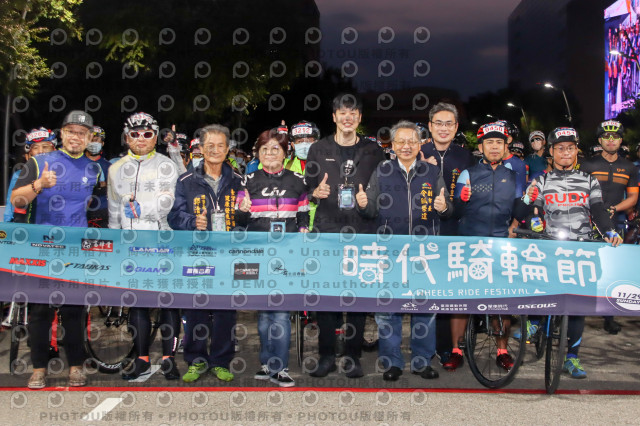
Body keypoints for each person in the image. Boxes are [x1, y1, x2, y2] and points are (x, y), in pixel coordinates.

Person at [11, 110, 101, 388]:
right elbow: (17, 200)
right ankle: (39, 368)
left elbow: (95, 207)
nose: (76, 137)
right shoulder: (39, 162)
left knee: (75, 312)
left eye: (82, 133)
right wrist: (39, 184)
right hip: (41, 248)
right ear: (62, 133)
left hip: (75, 250)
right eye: (71, 131)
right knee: (40, 311)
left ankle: (76, 366)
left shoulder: (93, 169)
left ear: (89, 137)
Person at [357, 120, 452, 381]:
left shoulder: (431, 172)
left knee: (425, 309)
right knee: (388, 310)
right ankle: (392, 362)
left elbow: (447, 208)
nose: (406, 146)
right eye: (401, 141)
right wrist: (364, 205)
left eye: (412, 141)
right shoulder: (383, 170)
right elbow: (371, 210)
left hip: (425, 252)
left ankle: (422, 361)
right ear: (393, 145)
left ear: (420, 144)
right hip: (390, 252)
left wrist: (444, 207)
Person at [524, 127, 622, 378]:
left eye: (570, 148)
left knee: (578, 306)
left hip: (581, 248)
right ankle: (534, 321)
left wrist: (609, 231)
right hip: (550, 246)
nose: (565, 152)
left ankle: (572, 357)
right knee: (541, 286)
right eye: (560, 148)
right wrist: (533, 218)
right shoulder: (542, 180)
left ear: (576, 150)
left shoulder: (589, 180)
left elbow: (598, 210)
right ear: (551, 152)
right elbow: (532, 207)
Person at [305, 93, 385, 379]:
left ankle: (352, 356)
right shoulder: (318, 149)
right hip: (327, 232)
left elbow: (382, 189)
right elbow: (307, 189)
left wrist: (367, 202)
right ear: (334, 117)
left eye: (353, 113)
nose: (347, 117)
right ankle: (326, 355)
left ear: (359, 118)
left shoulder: (373, 150)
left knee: (357, 298)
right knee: (326, 296)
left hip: (362, 233)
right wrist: (315, 193)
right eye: (342, 112)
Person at [445, 122, 526, 372]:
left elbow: (520, 207)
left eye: (499, 143)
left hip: (501, 243)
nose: (494, 147)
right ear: (481, 147)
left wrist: (520, 216)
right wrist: (461, 200)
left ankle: (502, 350)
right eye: (489, 143)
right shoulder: (468, 173)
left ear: (505, 147)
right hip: (470, 241)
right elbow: (455, 210)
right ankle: (456, 350)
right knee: (462, 300)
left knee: (501, 301)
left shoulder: (513, 175)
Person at [107, 112, 181, 380]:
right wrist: (114, 245)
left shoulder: (167, 165)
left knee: (168, 303)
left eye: (147, 134)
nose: (141, 138)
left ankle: (169, 359)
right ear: (126, 137)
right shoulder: (115, 169)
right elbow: (113, 211)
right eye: (135, 134)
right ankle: (141, 359)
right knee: (137, 305)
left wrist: (142, 209)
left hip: (164, 242)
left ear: (155, 137)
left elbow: (170, 202)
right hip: (131, 245)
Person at [235, 128, 310, 387]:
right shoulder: (247, 180)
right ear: (258, 153)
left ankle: (280, 367)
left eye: (275, 149)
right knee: (264, 313)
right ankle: (266, 363)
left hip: (286, 255)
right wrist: (242, 209)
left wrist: (303, 229)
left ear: (285, 153)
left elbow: (303, 213)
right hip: (256, 254)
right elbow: (239, 220)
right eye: (264, 149)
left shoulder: (298, 180)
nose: (269, 153)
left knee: (280, 312)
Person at [168, 124, 240, 383]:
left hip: (228, 255)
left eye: (221, 145)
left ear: (228, 149)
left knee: (225, 310)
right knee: (195, 308)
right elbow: (173, 216)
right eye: (210, 146)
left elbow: (248, 218)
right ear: (200, 148)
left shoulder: (239, 181)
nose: (215, 150)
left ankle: (221, 360)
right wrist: (192, 222)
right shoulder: (186, 181)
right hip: (196, 254)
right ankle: (196, 359)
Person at [420, 102, 475, 366]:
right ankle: (421, 348)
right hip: (421, 231)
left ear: (456, 127)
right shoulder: (418, 151)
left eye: (449, 124)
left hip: (454, 232)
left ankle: (445, 348)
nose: (444, 128)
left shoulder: (466, 157)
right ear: (430, 126)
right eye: (438, 123)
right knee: (422, 291)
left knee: (445, 292)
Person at [579, 120, 638, 335]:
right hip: (587, 222)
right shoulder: (587, 165)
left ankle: (609, 316)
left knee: (611, 270)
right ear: (600, 140)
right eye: (606, 136)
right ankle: (574, 311)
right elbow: (579, 192)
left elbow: (633, 197)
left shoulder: (629, 167)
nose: (611, 140)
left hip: (616, 222)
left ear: (621, 140)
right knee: (584, 266)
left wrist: (614, 208)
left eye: (615, 137)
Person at [4, 127, 57, 222]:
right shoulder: (20, 175)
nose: (41, 151)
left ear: (54, 150)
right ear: (28, 155)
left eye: (45, 147)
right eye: (35, 147)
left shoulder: (63, 171)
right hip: (29, 227)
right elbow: (10, 210)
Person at [85, 125, 111, 228]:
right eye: (91, 140)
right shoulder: (77, 163)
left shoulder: (109, 166)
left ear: (102, 143)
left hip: (102, 211)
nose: (93, 143)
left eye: (96, 140)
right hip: (81, 212)